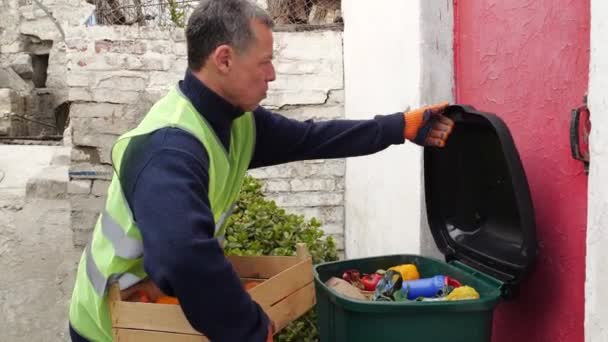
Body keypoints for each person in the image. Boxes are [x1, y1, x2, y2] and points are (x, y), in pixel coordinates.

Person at [67, 0, 455, 341]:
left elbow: (310, 138)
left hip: (169, 315)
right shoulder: (170, 148)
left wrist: (398, 127)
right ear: (223, 59)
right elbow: (183, 257)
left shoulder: (236, 121)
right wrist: (249, 330)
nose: (272, 75)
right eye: (265, 62)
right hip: (115, 325)